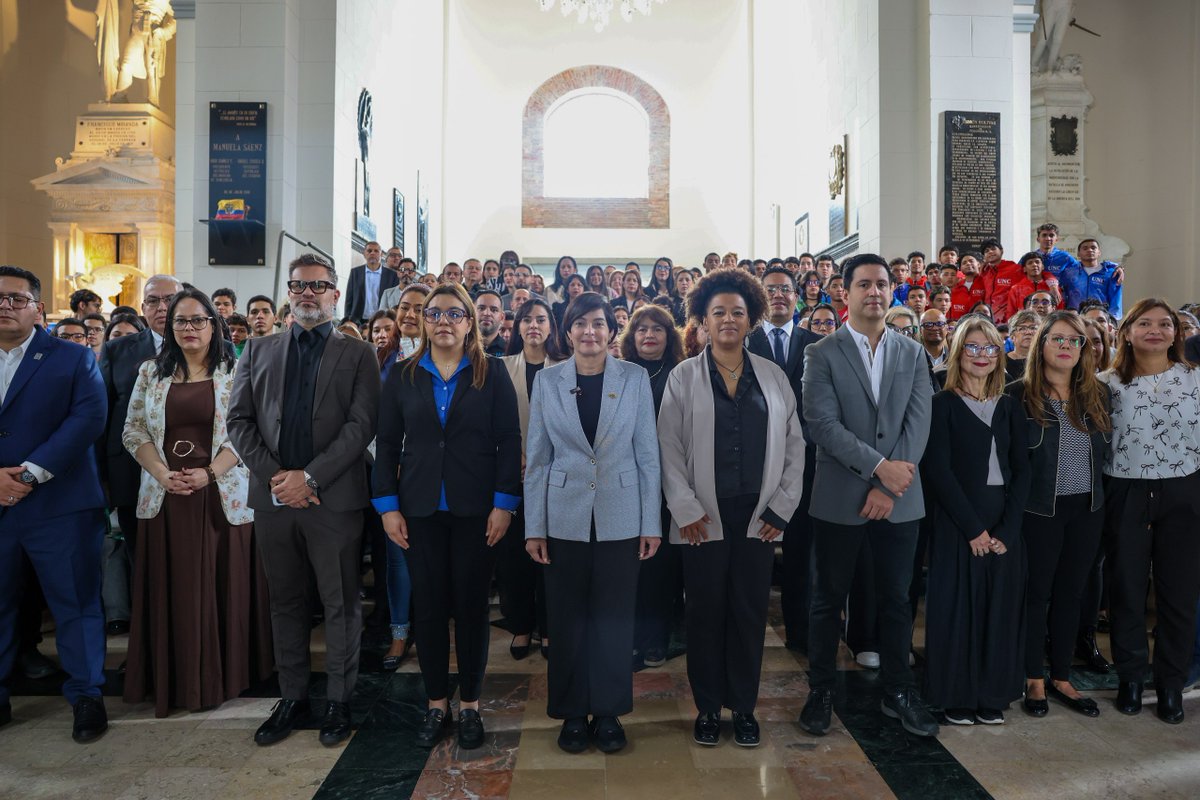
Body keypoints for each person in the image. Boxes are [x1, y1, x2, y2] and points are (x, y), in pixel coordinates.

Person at [228, 253, 381, 748]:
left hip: (333, 500)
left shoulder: (358, 354)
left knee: (340, 603)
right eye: (299, 286)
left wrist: (310, 477)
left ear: (336, 293)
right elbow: (239, 422)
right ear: (288, 293)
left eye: (318, 285)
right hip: (274, 500)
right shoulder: (258, 349)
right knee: (286, 601)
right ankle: (292, 696)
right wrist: (279, 479)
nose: (308, 293)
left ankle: (339, 699)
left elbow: (361, 427)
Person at [659, 269, 805, 748]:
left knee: (748, 612)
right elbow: (669, 449)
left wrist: (781, 509)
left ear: (752, 320)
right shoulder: (683, 376)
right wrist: (685, 509)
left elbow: (794, 445)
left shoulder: (773, 375)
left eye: (737, 313)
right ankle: (706, 707)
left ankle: (743, 706)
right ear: (701, 319)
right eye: (718, 312)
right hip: (702, 516)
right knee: (703, 613)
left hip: (758, 517)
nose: (728, 320)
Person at [372, 282, 520, 750]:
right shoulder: (402, 375)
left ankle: (471, 705)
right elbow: (386, 445)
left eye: (455, 314)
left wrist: (504, 504)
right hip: (419, 510)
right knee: (430, 608)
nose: (443, 322)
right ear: (422, 321)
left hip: (476, 510)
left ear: (470, 322)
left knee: (473, 608)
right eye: (435, 314)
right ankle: (436, 703)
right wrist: (387, 507)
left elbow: (510, 441)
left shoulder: (491, 373)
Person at [799, 253, 938, 739]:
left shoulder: (912, 351)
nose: (875, 292)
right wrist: (878, 469)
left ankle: (898, 691)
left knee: (897, 600)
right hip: (841, 497)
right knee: (827, 599)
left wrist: (889, 484)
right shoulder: (822, 352)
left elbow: (919, 422)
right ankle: (820, 690)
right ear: (846, 291)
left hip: (900, 499)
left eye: (882, 283)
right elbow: (821, 424)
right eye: (865, 284)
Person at [121, 289, 271, 718]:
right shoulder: (151, 372)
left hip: (220, 495)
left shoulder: (237, 370)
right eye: (180, 321)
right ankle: (175, 678)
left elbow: (250, 431)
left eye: (198, 320)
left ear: (214, 324)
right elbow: (132, 430)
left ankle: (225, 677)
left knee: (220, 587)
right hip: (165, 495)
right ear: (169, 327)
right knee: (177, 589)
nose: (189, 328)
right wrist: (161, 473)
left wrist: (210, 473)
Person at [523, 293, 661, 753]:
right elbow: (538, 459)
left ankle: (607, 712)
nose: (590, 332)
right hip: (563, 518)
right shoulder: (547, 381)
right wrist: (534, 527)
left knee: (614, 621)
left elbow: (648, 456)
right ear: (567, 331)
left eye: (599, 323)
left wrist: (651, 522)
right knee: (567, 622)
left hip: (621, 517)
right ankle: (571, 713)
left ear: (610, 330)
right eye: (580, 323)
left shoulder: (635, 378)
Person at [0, 265, 109, 742]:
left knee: (76, 603)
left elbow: (88, 418)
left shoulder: (70, 357)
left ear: (38, 308)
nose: (4, 305)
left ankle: (86, 696)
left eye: (16, 298)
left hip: (59, 504)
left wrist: (28, 473)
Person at [921, 317, 1031, 725]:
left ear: (999, 354)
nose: (982, 356)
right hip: (958, 522)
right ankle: (957, 696)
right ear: (957, 350)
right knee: (957, 609)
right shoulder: (942, 404)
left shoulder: (1009, 406)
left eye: (989, 348)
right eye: (973, 347)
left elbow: (1023, 471)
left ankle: (992, 694)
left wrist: (1007, 530)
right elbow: (938, 472)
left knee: (999, 609)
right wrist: (973, 530)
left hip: (1003, 522)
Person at [1100, 299, 1200, 724]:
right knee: (1127, 588)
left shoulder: (1196, 380)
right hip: (1126, 490)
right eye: (1145, 323)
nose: (1155, 330)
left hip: (1184, 493)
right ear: (1126, 332)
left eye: (1165, 324)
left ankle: (1172, 685)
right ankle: (1131, 678)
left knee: (1178, 594)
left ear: (1178, 334)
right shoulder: (1105, 383)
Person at [1008, 310, 1111, 719]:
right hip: (1039, 509)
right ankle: (1034, 676)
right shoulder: (1018, 394)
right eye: (1058, 339)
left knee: (1073, 593)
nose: (1066, 346)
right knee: (1038, 595)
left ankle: (1063, 675)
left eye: (1075, 340)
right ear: (1042, 344)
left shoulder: (1097, 394)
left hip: (1087, 507)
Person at [746, 267, 822, 652]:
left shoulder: (817, 343)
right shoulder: (742, 342)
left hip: (806, 462)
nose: (778, 295)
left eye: (786, 290)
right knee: (755, 553)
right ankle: (748, 635)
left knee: (801, 554)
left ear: (798, 296)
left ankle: (801, 633)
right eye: (770, 290)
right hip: (756, 463)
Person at [100, 274, 184, 567]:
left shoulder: (214, 346)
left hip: (192, 468)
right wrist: (104, 477)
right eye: (153, 301)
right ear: (142, 307)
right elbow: (105, 413)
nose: (162, 307)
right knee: (142, 558)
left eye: (170, 299)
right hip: (129, 469)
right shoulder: (117, 349)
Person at [499, 298, 565, 661]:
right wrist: (514, 457)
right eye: (527, 320)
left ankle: (550, 628)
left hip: (557, 476)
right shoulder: (501, 367)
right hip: (514, 474)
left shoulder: (567, 367)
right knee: (514, 558)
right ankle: (522, 626)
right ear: (517, 327)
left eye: (541, 319)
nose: (534, 325)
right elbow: (493, 424)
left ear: (552, 326)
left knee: (551, 556)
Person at [620, 304, 685, 667]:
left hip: (668, 481)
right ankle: (629, 638)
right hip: (626, 481)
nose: (648, 335)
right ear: (631, 336)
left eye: (657, 329)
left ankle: (657, 640)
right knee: (629, 565)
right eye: (641, 329)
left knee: (661, 567)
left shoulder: (680, 373)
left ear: (668, 335)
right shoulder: (620, 373)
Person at [344, 241, 400, 326]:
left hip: (383, 320)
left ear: (381, 255)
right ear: (364, 254)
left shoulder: (392, 275)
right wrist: (347, 319)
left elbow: (394, 300)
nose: (372, 253)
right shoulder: (355, 272)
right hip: (357, 320)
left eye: (376, 251)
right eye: (369, 251)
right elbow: (349, 298)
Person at [1005, 310, 1040, 381]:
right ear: (1012, 337)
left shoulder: (1046, 360)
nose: (1028, 332)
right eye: (1022, 328)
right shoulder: (1001, 361)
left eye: (1033, 328)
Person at [474, 289, 508, 357]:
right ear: (473, 313)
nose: (487, 313)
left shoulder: (510, 351)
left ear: (502, 317)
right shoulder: (460, 347)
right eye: (481, 308)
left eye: (494, 310)